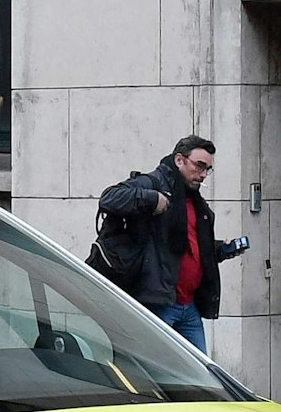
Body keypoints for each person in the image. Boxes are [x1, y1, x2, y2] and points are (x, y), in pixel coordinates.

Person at [96, 134, 248, 352]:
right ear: (179, 160)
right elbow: (109, 198)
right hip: (158, 303)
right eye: (199, 166)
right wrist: (151, 199)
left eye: (208, 169)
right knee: (157, 367)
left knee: (200, 370)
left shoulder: (196, 203)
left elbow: (189, 247)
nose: (203, 174)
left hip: (189, 306)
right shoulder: (154, 183)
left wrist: (220, 250)